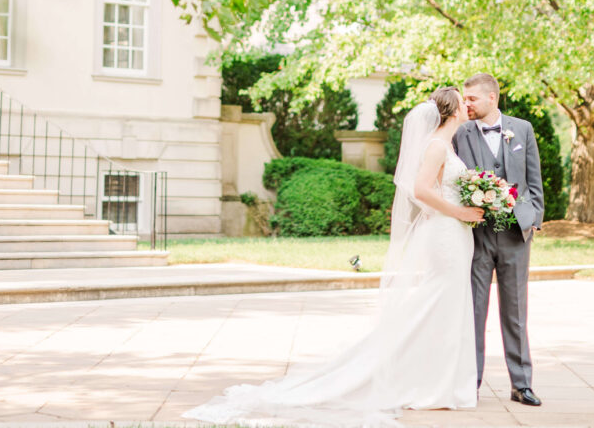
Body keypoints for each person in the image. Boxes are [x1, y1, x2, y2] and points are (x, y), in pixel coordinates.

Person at [184, 87, 484, 428]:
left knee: (446, 307)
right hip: (446, 234)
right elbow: (420, 189)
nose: (467, 105)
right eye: (463, 100)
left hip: (454, 232)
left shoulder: (447, 144)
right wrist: (459, 211)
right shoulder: (435, 146)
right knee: (433, 305)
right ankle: (409, 377)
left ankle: (440, 383)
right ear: (451, 110)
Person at [453, 73, 544, 408]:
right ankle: (470, 383)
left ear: (492, 98)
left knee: (516, 311)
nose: (467, 104)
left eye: (472, 98)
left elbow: (534, 179)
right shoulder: (460, 133)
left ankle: (522, 384)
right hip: (476, 234)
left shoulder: (522, 129)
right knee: (474, 310)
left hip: (516, 233)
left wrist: (534, 218)